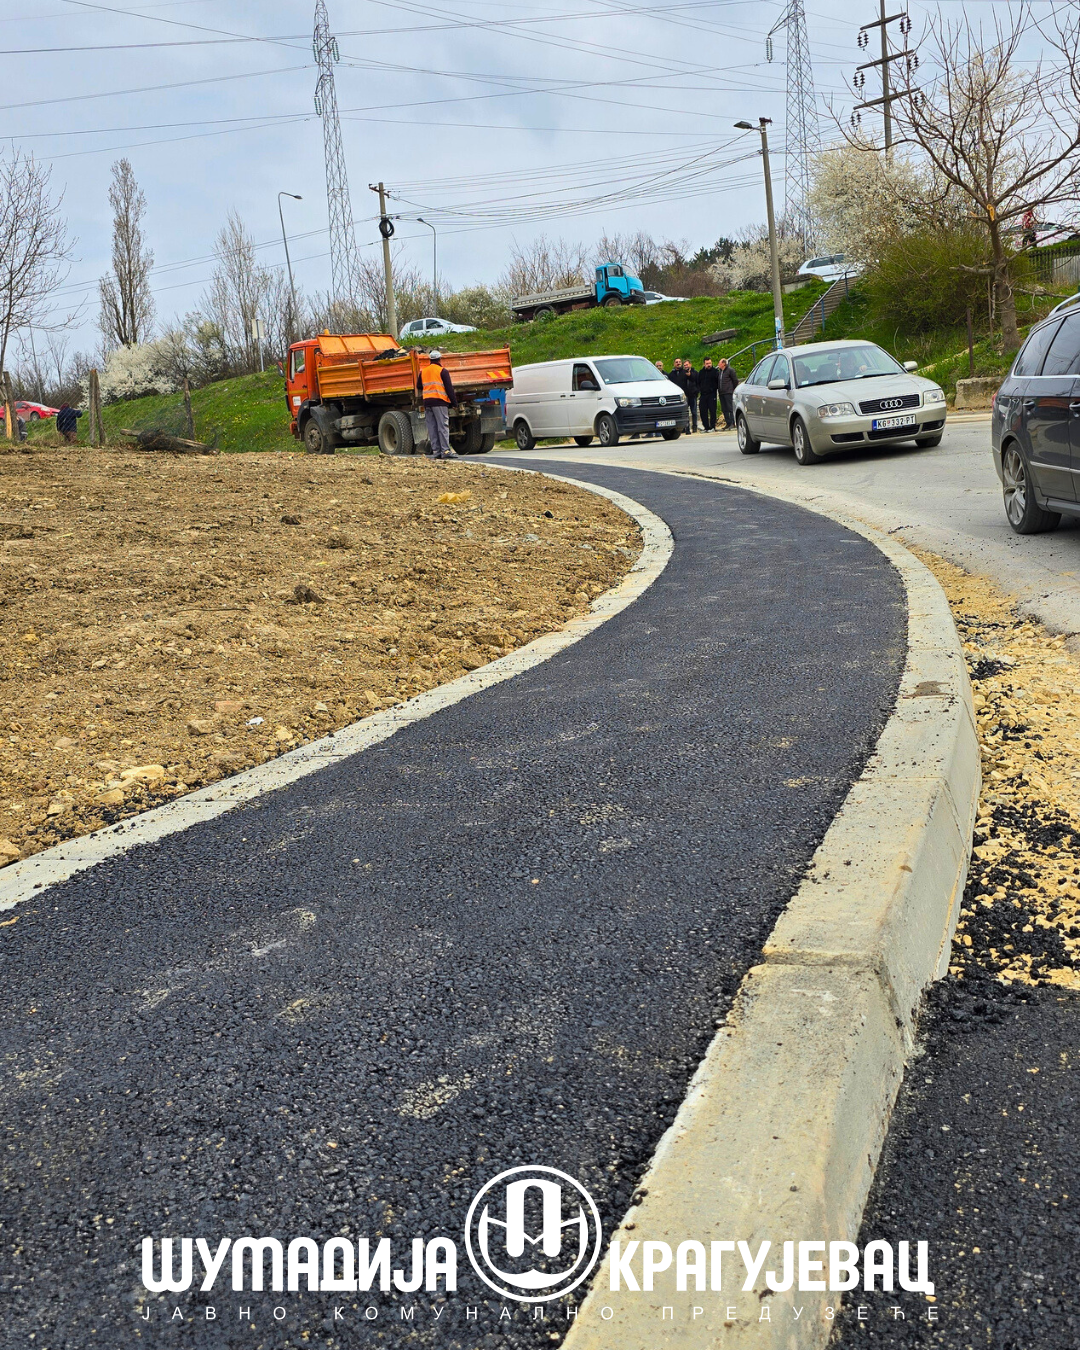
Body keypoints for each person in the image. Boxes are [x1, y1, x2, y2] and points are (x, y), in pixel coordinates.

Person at [416, 350, 458, 459]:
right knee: (443, 426)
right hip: (439, 401)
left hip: (427, 402)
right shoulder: (442, 371)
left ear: (430, 360)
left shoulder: (423, 371)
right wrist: (454, 403)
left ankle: (437, 451)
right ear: (440, 359)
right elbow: (449, 388)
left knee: (432, 427)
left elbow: (419, 385)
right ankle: (445, 451)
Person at [698, 357, 719, 432]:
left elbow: (717, 382)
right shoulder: (701, 372)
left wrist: (713, 389)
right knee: (703, 411)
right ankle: (706, 427)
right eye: (707, 364)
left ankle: (713, 426)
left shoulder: (715, 372)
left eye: (710, 363)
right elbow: (698, 382)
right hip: (703, 395)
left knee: (712, 410)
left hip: (712, 394)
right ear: (704, 364)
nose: (709, 365)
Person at [718, 358, 738, 431]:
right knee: (724, 409)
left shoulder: (730, 370)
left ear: (723, 363)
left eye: (719, 363)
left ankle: (733, 423)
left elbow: (735, 380)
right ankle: (728, 422)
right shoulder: (720, 372)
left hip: (728, 392)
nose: (718, 364)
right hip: (721, 393)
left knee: (730, 408)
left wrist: (732, 389)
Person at [681, 359, 700, 432]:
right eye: (684, 365)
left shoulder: (695, 372)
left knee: (694, 412)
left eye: (687, 365)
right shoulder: (682, 373)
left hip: (693, 394)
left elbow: (696, 381)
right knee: (686, 412)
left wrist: (690, 375)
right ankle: (687, 427)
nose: (686, 366)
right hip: (685, 395)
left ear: (690, 364)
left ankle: (694, 426)